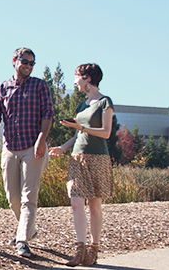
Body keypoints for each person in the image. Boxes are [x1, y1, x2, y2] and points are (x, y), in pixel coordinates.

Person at [0, 47, 54, 258]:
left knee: (28, 197)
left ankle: (22, 240)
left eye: (32, 63)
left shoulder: (40, 86)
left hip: (33, 147)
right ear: (14, 61)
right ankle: (29, 229)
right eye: (25, 62)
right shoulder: (2, 88)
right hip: (10, 148)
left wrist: (41, 140)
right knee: (12, 198)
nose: (29, 66)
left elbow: (48, 113)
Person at [49, 63, 114, 267]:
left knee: (94, 207)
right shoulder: (81, 105)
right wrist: (62, 148)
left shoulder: (105, 102)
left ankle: (94, 250)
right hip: (78, 157)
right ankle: (80, 249)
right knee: (76, 203)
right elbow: (78, 134)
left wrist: (81, 126)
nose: (75, 81)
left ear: (87, 78)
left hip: (98, 158)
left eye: (77, 77)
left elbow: (106, 133)